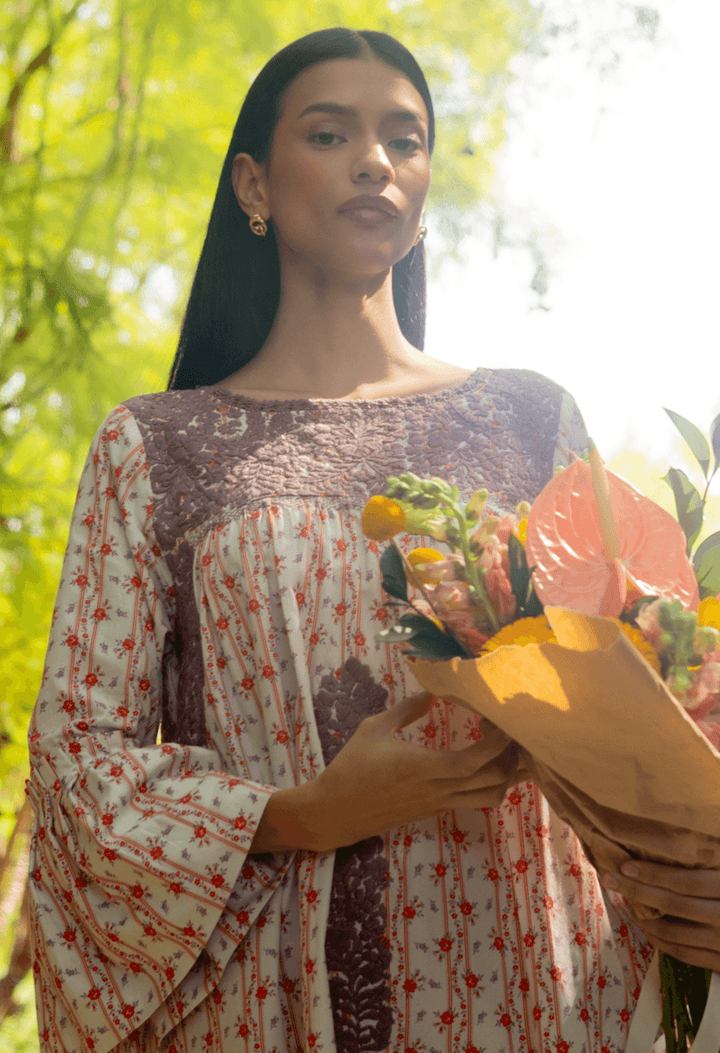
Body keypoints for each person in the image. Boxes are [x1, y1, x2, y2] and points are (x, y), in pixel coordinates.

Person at [25, 26, 720, 1053]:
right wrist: (307, 811)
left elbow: (643, 703)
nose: (374, 161)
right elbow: (77, 767)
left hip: (531, 990)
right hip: (261, 1005)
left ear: (425, 189)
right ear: (253, 184)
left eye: (405, 138)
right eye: (330, 132)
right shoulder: (156, 446)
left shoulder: (531, 421)